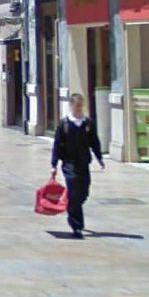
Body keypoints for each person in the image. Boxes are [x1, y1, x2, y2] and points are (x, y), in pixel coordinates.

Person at [50, 93, 105, 238]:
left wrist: (99, 158)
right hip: (69, 163)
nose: (79, 108)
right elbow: (57, 145)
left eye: (81, 106)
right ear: (71, 106)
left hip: (84, 163)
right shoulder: (64, 124)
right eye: (77, 106)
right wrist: (54, 164)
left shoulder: (88, 123)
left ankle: (72, 206)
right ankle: (77, 225)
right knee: (74, 192)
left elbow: (94, 141)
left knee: (83, 192)